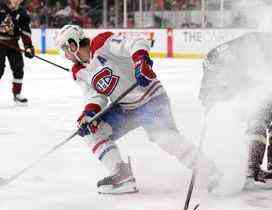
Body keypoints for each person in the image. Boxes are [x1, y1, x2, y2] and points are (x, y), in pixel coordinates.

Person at [55, 25, 218, 194]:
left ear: (73, 44)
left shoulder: (102, 43)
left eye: (65, 49)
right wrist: (89, 113)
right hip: (126, 108)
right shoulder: (78, 71)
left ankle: (210, 171)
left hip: (151, 99)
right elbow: (95, 96)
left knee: (165, 138)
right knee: (93, 132)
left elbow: (136, 42)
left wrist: (141, 61)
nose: (65, 55)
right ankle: (122, 175)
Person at [199, 32, 272, 190]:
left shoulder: (270, 44)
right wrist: (208, 94)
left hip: (246, 72)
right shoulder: (256, 50)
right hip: (240, 74)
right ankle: (251, 167)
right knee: (258, 114)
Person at [0, 0, 35, 104]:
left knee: (18, 67)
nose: (18, 0)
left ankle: (17, 93)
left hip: (13, 43)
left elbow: (25, 32)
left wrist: (28, 46)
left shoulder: (23, 13)